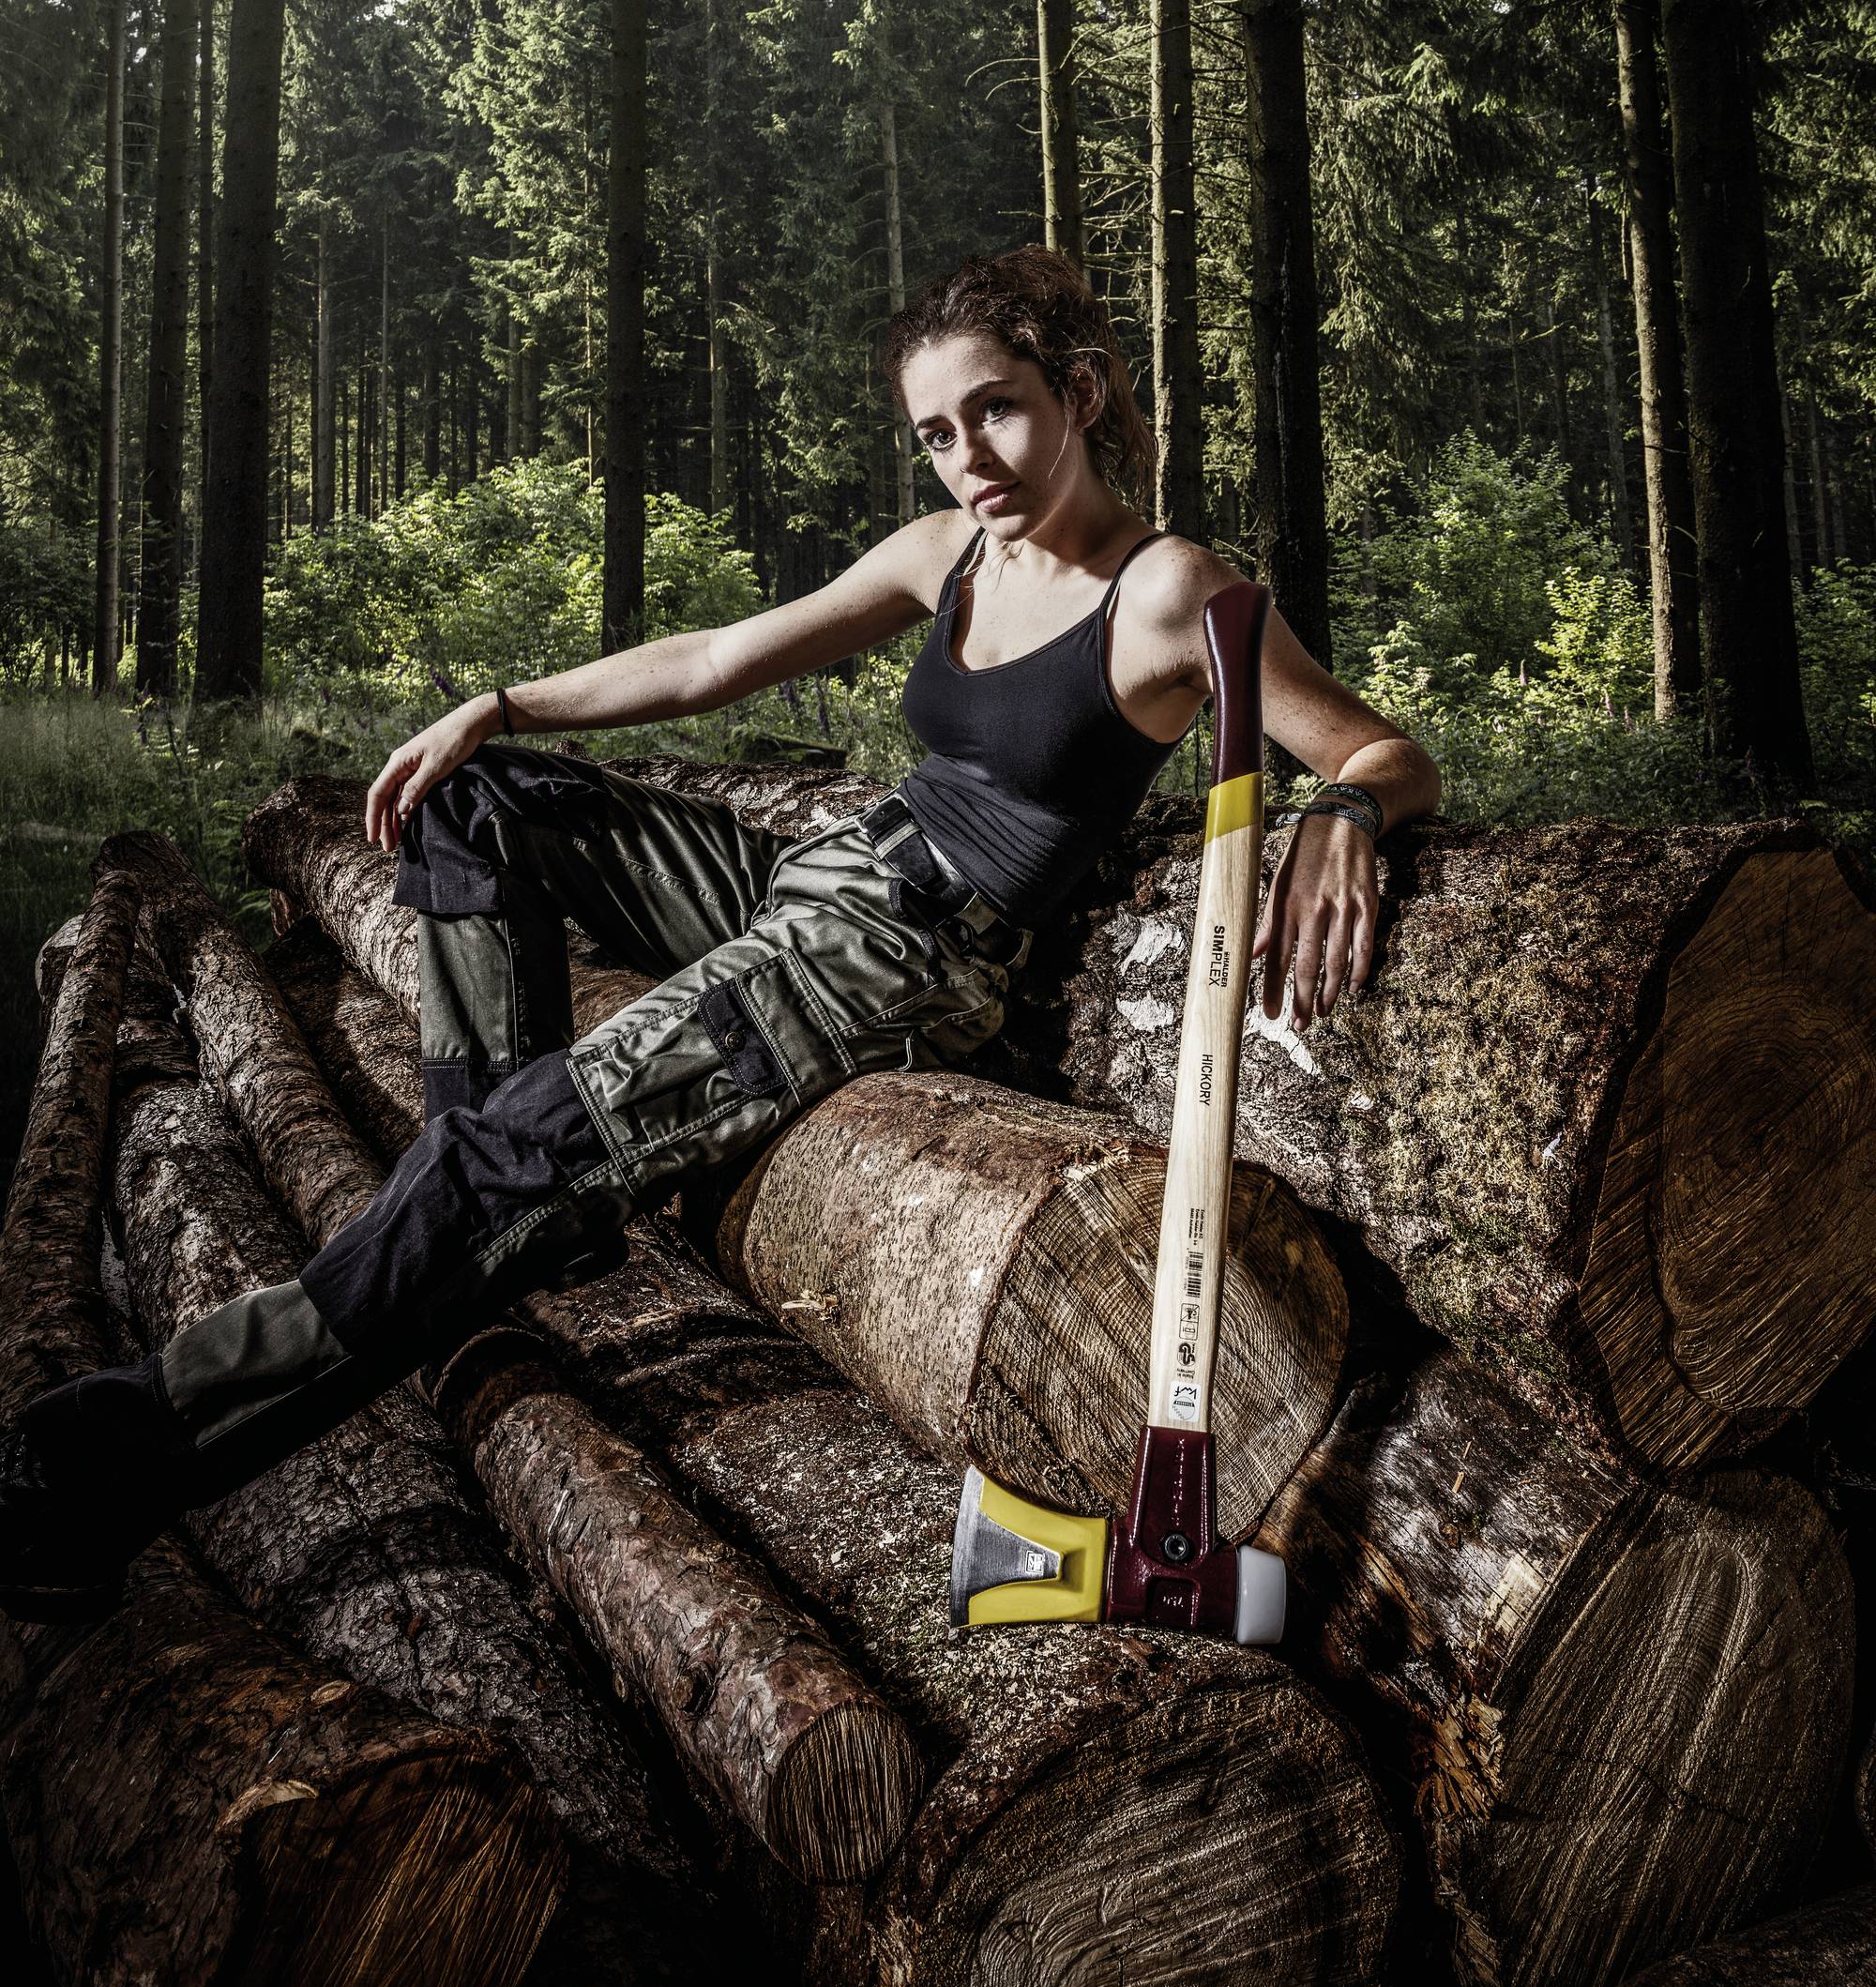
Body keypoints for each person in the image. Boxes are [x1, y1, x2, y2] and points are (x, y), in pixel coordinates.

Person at [1, 248, 1439, 1619]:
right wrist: (499, 705)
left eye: (997, 409)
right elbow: (717, 659)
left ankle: (113, 1460)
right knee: (488, 799)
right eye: (938, 432)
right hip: (814, 876)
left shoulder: (1171, 591)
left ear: (1082, 387)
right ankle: (504, 1194)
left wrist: (1348, 817)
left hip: (904, 956)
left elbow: (1380, 750)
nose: (971, 457)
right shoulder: (948, 553)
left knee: (502, 1164)